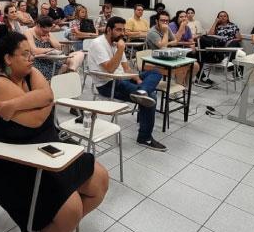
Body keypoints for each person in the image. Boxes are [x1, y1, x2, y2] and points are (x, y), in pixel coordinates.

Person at [0, 31, 108, 232]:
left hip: (46, 146)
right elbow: (39, 117)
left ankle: (58, 230)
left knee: (100, 179)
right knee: (71, 208)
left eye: (31, 53)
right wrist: (39, 101)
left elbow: (48, 96)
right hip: (12, 159)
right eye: (25, 54)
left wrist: (16, 105)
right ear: (8, 58)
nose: (31, 58)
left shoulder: (31, 73)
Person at [87, 16, 166, 151]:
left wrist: (138, 80)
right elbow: (110, 69)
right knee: (151, 96)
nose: (122, 33)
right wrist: (120, 49)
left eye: (123, 30)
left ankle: (142, 91)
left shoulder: (117, 42)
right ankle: (144, 138)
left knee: (156, 72)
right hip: (108, 83)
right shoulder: (98, 44)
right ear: (109, 30)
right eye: (118, 30)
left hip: (122, 78)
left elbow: (127, 68)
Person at [145, 10, 198, 88]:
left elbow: (175, 41)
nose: (165, 23)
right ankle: (177, 89)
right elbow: (163, 47)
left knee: (195, 66)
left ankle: (184, 86)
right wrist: (166, 32)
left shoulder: (166, 28)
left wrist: (168, 43)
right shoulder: (153, 32)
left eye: (167, 21)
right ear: (156, 21)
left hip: (167, 55)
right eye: (162, 20)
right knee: (181, 68)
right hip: (155, 58)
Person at [25, 16, 84, 81]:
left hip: (52, 59)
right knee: (65, 66)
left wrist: (50, 39)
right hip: (38, 61)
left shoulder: (47, 33)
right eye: (44, 31)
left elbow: (59, 48)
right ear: (38, 26)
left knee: (79, 54)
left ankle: (72, 71)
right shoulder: (28, 32)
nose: (46, 33)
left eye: (48, 31)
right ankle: (69, 77)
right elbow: (34, 51)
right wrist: (50, 49)